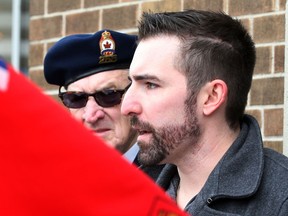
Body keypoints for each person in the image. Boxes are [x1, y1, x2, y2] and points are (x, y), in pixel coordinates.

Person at [121, 9, 288, 215]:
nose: (126, 106)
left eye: (150, 85)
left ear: (211, 97)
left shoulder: (280, 200)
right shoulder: (132, 190)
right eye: (132, 84)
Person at [44, 29, 139, 163]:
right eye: (76, 99)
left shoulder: (175, 176)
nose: (90, 116)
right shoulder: (57, 176)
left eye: (108, 95)